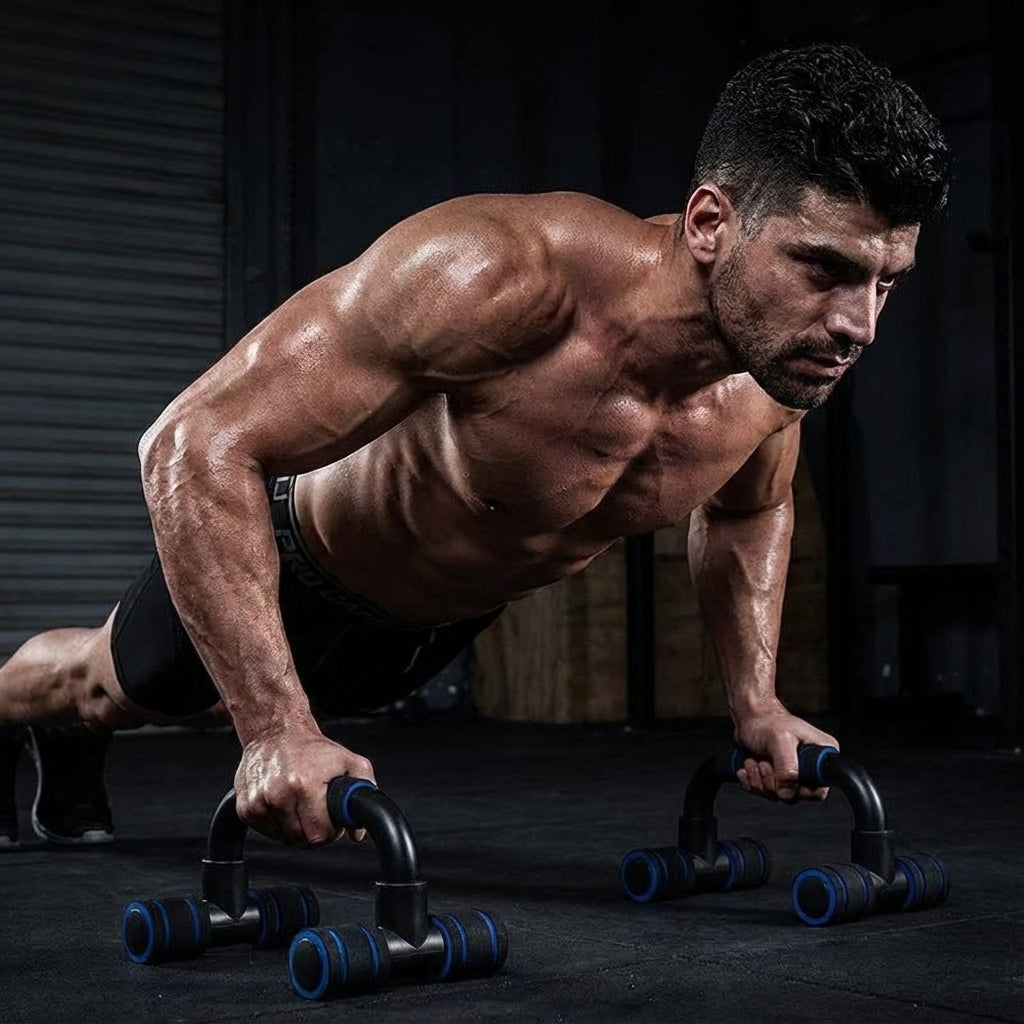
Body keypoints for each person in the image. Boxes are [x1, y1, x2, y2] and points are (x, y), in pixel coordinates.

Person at [0, 41, 950, 850]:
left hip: (433, 627)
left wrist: (757, 705)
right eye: (822, 267)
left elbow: (751, 509)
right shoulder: (501, 273)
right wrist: (276, 730)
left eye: (885, 283)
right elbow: (192, 438)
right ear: (710, 223)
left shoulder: (777, 366)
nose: (857, 324)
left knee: (206, 708)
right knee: (100, 687)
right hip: (296, 564)